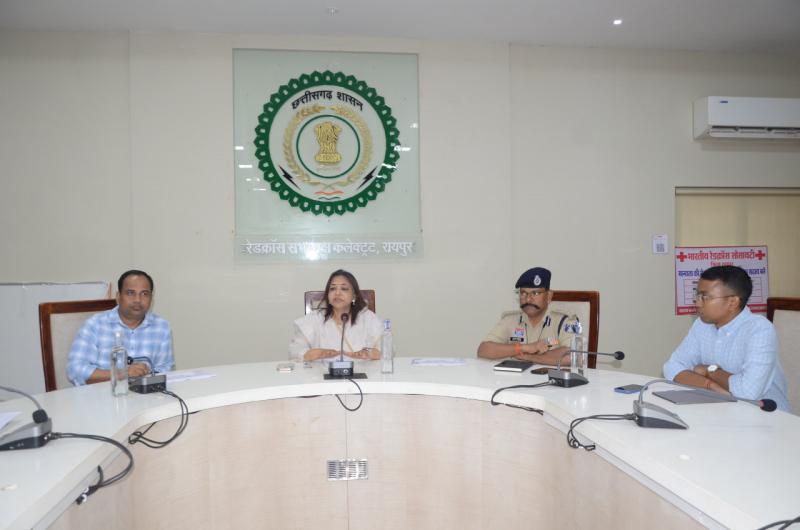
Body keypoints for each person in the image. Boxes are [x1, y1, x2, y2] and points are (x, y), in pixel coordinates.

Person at [663, 265, 789, 411]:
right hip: (721, 410)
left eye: (705, 297)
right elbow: (671, 367)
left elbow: (748, 392)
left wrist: (709, 371)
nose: (697, 303)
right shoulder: (702, 325)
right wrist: (709, 384)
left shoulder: (759, 330)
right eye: (697, 296)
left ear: (732, 302)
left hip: (766, 416)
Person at [67, 270, 174, 386]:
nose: (137, 300)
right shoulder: (95, 324)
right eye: (130, 293)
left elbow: (165, 370)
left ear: (151, 299)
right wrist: (121, 374)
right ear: (118, 297)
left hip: (146, 395)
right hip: (101, 394)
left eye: (144, 294)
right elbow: (75, 370)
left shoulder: (162, 327)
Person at [478, 267, 579, 366]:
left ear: (549, 296)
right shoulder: (509, 320)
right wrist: (523, 348)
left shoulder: (569, 321)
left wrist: (530, 357)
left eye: (535, 293)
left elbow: (574, 356)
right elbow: (483, 350)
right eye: (523, 293)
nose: (528, 299)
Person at [289, 270, 383, 362]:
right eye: (332, 289)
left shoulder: (368, 318)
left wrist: (368, 353)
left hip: (363, 371)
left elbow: (385, 350)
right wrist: (319, 353)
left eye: (344, 289)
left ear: (354, 295)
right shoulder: (314, 319)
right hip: (322, 371)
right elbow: (294, 352)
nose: (337, 293)